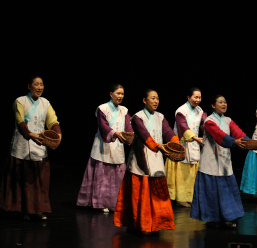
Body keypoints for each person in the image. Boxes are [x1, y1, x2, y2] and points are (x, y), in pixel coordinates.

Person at [113, 89, 180, 234]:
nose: (156, 101)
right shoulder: (137, 117)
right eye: (153, 98)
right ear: (145, 100)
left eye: (157, 98)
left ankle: (156, 223)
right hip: (141, 159)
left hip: (156, 159)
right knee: (140, 194)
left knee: (157, 195)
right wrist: (158, 146)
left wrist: (176, 143)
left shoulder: (160, 116)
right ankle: (142, 223)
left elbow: (168, 131)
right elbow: (144, 134)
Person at [0, 76, 62, 220]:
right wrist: (29, 134)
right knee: (23, 180)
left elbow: (52, 120)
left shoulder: (45, 103)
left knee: (39, 180)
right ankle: (24, 210)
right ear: (29, 86)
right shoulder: (20, 101)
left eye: (42, 84)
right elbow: (19, 120)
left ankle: (39, 209)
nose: (40, 87)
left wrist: (58, 133)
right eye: (36, 84)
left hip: (39, 145)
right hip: (22, 145)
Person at [190, 95, 251, 228]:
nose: (224, 104)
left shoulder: (228, 120)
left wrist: (250, 143)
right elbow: (219, 135)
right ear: (213, 105)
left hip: (224, 162)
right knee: (211, 193)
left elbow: (238, 132)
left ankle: (227, 218)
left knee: (226, 192)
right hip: (210, 161)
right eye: (220, 102)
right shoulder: (209, 121)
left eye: (225, 102)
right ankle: (212, 218)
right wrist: (234, 142)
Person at [76, 83, 133, 213]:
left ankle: (116, 203)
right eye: (118, 93)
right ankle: (100, 203)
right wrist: (115, 134)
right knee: (103, 175)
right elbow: (103, 126)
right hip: (104, 144)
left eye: (122, 94)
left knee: (116, 175)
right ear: (111, 94)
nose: (120, 96)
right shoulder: (102, 108)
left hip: (118, 145)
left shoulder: (124, 110)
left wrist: (130, 135)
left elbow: (128, 125)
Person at [165, 87, 207, 207]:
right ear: (188, 97)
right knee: (181, 173)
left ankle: (190, 196)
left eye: (199, 97)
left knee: (191, 173)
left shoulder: (200, 110)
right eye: (195, 97)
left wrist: (208, 135)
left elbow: (204, 125)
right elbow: (183, 127)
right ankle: (180, 198)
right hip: (182, 143)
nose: (198, 100)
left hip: (194, 143)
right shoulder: (181, 111)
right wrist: (194, 138)